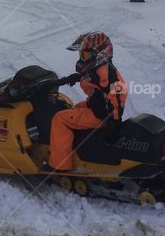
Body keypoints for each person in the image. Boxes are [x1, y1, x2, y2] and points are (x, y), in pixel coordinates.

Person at [48, 31, 129, 171]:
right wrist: (75, 78)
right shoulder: (100, 68)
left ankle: (59, 165)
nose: (82, 59)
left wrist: (115, 124)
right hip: (98, 107)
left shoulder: (105, 72)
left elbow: (116, 95)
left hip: (102, 116)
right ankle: (78, 147)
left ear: (100, 53)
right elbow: (93, 80)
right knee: (75, 107)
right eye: (81, 55)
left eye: (85, 55)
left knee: (59, 119)